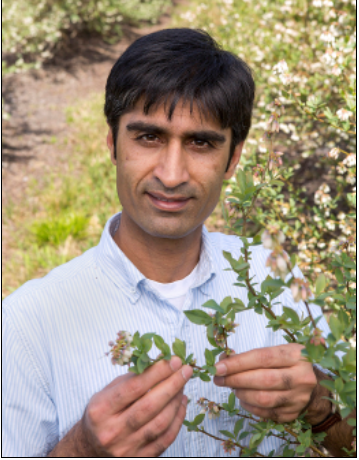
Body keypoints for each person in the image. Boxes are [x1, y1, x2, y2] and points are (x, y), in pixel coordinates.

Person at [2, 28, 355, 458]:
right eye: (148, 137)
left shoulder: (275, 277)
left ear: (234, 158)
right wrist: (81, 450)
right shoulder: (26, 324)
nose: (171, 175)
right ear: (112, 143)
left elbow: (345, 441)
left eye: (201, 142)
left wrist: (320, 405)